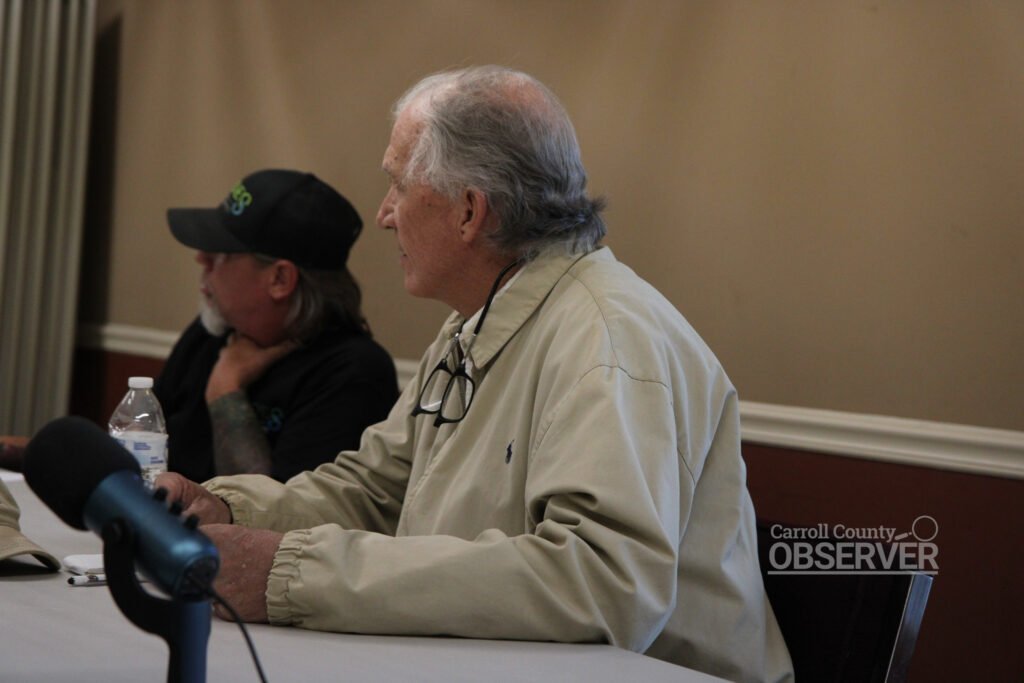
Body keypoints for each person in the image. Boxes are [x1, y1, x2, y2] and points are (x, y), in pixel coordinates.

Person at [157, 67, 793, 682]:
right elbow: (376, 493)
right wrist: (229, 508)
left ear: (469, 212)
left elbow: (601, 587)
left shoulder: (610, 341)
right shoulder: (477, 323)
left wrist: (292, 573)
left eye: (399, 186)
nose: (384, 214)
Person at [2, 169, 400, 484]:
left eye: (220, 254)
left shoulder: (352, 375)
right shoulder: (213, 334)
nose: (200, 260)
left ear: (280, 279)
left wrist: (225, 392)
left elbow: (272, 521)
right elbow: (135, 456)